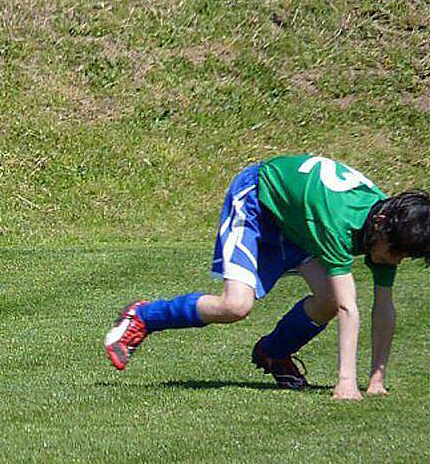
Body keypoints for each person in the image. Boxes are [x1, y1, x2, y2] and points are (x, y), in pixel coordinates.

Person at [104, 154, 430, 400]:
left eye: (404, 255)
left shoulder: (390, 227)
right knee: (236, 306)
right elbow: (350, 307)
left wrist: (376, 380)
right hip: (257, 202)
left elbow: (383, 307)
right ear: (382, 222)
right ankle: (144, 316)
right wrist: (346, 382)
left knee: (328, 299)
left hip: (297, 223)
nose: (395, 260)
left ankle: (274, 352)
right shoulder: (341, 221)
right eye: (396, 251)